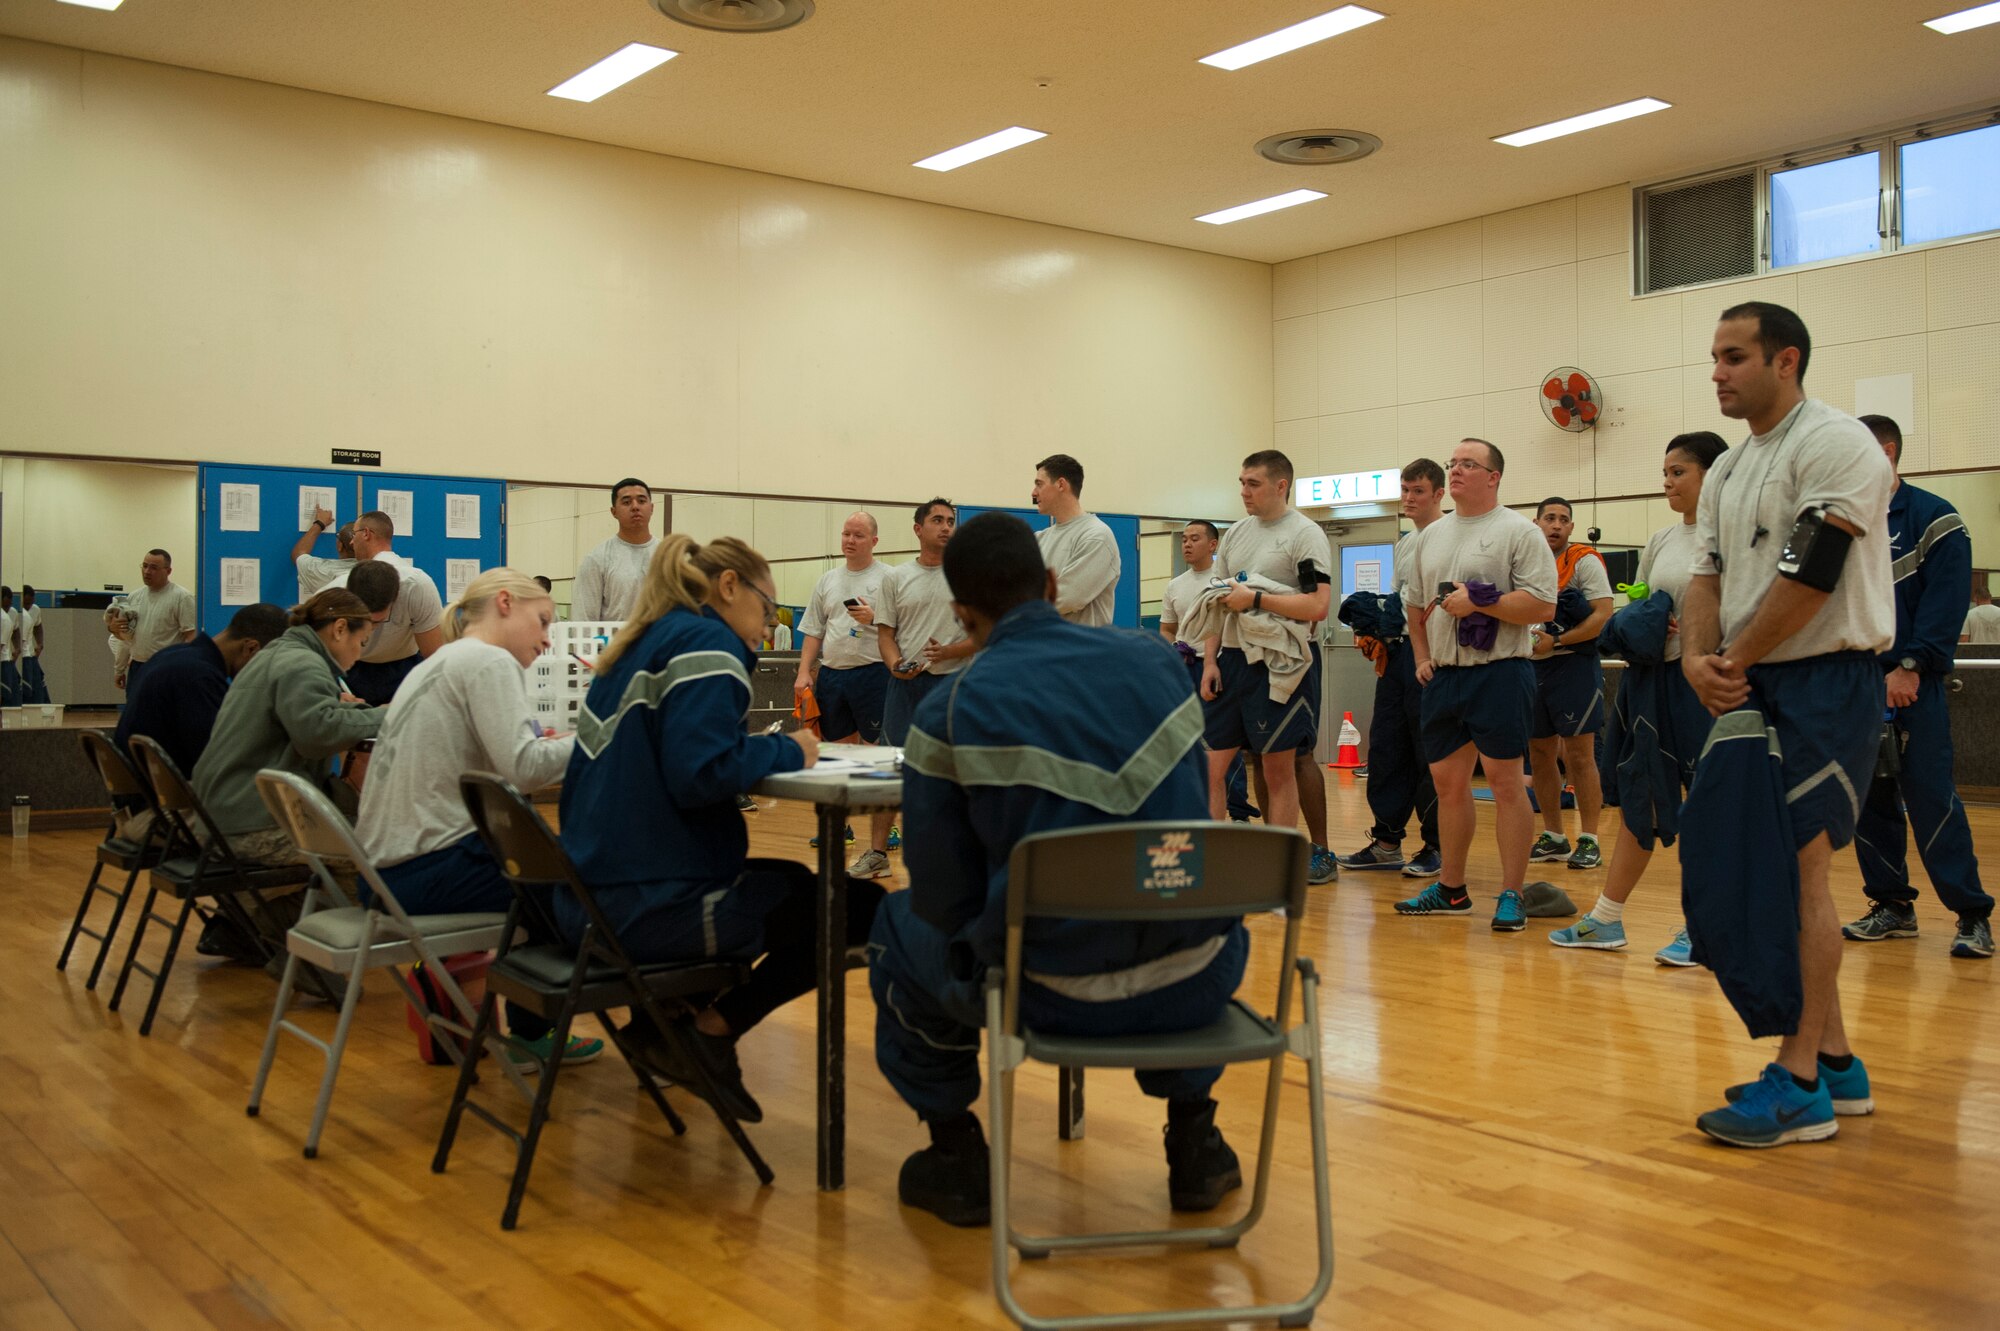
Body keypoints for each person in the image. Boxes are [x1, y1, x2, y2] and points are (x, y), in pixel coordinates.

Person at [868, 513, 1246, 1228]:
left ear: (961, 612)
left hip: (1046, 990)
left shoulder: (947, 713)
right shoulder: (1156, 661)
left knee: (894, 925)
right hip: (1197, 975)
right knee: (1173, 901)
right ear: (1048, 583)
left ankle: (958, 1157)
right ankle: (1195, 1140)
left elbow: (944, 899)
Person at [560, 534, 882, 1124]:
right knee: (856, 907)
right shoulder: (707, 643)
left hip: (587, 901)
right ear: (729, 586)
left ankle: (663, 1021)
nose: (767, 626)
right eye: (766, 607)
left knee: (787, 879)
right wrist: (789, 752)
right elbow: (700, 770)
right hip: (646, 911)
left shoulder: (641, 643)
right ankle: (707, 1033)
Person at [1682, 301, 1894, 1148]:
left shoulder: (1836, 443)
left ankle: (1800, 1079)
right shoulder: (1730, 470)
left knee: (1803, 871)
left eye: (1734, 357)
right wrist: (1701, 659)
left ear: (1787, 361)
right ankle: (1838, 1063)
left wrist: (1732, 659)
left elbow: (1816, 568)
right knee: (1764, 863)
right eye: (1715, 358)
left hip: (1824, 682)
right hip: (1751, 679)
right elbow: (1705, 576)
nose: (1718, 373)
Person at [355, 568, 602, 1064]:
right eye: (544, 621)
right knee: (576, 889)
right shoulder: (488, 661)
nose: (546, 639)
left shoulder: (441, 661)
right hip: (420, 873)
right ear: (506, 603)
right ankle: (534, 1032)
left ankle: (476, 997)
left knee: (544, 878)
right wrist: (603, 738)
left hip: (381, 875)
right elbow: (526, 768)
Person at [1549, 434, 1726, 962]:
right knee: (1639, 798)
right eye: (1665, 472)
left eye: (1679, 472)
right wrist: (1642, 619)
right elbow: (1641, 602)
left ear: (1712, 475)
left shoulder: (1738, 538)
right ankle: (1606, 918)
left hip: (1708, 685)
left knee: (1709, 806)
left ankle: (1708, 926)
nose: (1667, 482)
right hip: (1651, 682)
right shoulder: (1663, 539)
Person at [1839, 415, 1992, 959]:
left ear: (1886, 451)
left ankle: (1971, 913)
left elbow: (1946, 606)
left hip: (1912, 684)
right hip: (1856, 689)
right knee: (1867, 803)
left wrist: (1909, 667)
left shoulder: (1935, 519)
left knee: (1929, 798)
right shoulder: (1841, 521)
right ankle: (1892, 906)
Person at [1393, 439, 1557, 929]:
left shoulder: (1518, 532)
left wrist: (1481, 603)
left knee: (1507, 786)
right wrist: (1422, 656)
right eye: (1454, 463)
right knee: (1447, 785)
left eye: (1468, 463)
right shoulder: (1430, 536)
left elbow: (1543, 607)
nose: (1458, 469)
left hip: (1501, 673)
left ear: (1494, 477)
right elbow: (1416, 606)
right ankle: (1452, 889)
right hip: (1445, 675)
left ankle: (1511, 893)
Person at [1197, 450, 1338, 885]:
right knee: (1211, 766)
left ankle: (1287, 865)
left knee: (1281, 767)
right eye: (1241, 482)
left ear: (1281, 486)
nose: (1243, 492)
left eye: (1253, 483)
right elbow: (1217, 600)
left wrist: (1256, 598)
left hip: (1280, 665)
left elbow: (1317, 605)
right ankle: (1216, 860)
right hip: (1233, 662)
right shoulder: (1236, 533)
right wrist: (1209, 661)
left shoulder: (1305, 535)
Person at [190, 589, 384, 867]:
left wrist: (362, 713)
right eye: (362, 642)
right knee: (379, 862)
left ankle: (269, 909)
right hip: (252, 826)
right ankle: (296, 910)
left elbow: (309, 715)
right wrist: (387, 717)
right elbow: (317, 732)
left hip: (224, 815)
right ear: (340, 629)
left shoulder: (278, 653)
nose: (359, 654)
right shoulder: (304, 663)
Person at [1339, 459, 1445, 879]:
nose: (1409, 499)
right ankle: (1386, 841)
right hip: (1398, 657)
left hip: (1432, 657)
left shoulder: (1446, 537)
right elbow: (1402, 600)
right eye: (1404, 490)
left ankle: (1437, 845)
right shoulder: (1405, 543)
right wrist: (1379, 625)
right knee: (1387, 747)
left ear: (1439, 494)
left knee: (1429, 753)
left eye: (1418, 491)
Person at [112, 602, 289, 838]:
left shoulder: (175, 656)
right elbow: (220, 766)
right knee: (306, 840)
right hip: (159, 815)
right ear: (251, 648)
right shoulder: (198, 677)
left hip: (137, 806)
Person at [794, 511, 897, 877]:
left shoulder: (889, 578)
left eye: (858, 534)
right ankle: (842, 825)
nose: (850, 540)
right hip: (833, 676)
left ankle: (881, 841)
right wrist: (805, 670)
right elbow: (812, 629)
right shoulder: (827, 581)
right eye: (846, 534)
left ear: (874, 541)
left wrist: (875, 619)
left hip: (873, 675)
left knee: (874, 758)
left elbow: (900, 628)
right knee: (837, 755)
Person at [1525, 497, 1615, 871]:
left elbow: (1603, 616)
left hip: (1573, 666)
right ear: (1537, 522)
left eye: (1563, 519)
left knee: (1579, 755)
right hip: (1530, 669)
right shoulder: (1523, 560)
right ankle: (1555, 836)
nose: (1556, 525)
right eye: (1550, 518)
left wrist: (1558, 641)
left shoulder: (1584, 561)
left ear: (1571, 527)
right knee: (1541, 754)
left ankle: (1589, 839)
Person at [1159, 520, 1256, 823]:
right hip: (1186, 669)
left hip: (1218, 667)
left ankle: (1239, 811)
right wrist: (1172, 657)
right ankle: (1195, 809)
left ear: (1213, 545)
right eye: (1184, 539)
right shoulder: (1175, 586)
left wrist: (1212, 662)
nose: (1187, 544)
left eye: (1195, 538)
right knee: (1188, 742)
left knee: (1222, 742)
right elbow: (1167, 629)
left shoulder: (1226, 581)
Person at [877, 499, 974, 748]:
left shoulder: (968, 575)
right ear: (918, 529)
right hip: (905, 685)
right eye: (937, 520)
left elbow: (986, 636)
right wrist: (896, 665)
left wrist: (949, 652)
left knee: (950, 761)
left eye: (950, 522)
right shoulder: (895, 577)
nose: (946, 527)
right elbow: (886, 635)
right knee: (895, 759)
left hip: (952, 682)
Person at [342, 515, 444, 704]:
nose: (351, 541)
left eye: (354, 534)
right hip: (357, 670)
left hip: (398, 672)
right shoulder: (420, 583)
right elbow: (435, 657)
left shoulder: (415, 584)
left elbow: (435, 657)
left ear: (365, 534)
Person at [1031, 454, 1121, 627]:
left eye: (1039, 484)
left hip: (1082, 652)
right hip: (1042, 650)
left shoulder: (1097, 536)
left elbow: (1065, 598)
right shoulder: (1038, 539)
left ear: (1061, 484)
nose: (1033, 493)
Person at [572, 478, 658, 623]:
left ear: (652, 508)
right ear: (614, 512)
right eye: (626, 502)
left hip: (662, 644)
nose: (635, 507)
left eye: (641, 501)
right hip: (615, 645)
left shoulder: (668, 556)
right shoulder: (596, 559)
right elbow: (583, 621)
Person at [120, 549, 198, 696]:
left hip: (166, 668)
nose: (147, 571)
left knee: (162, 715)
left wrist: (182, 669)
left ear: (168, 571)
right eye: (144, 566)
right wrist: (120, 668)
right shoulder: (134, 597)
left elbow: (191, 637)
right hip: (137, 666)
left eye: (154, 568)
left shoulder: (182, 597)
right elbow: (126, 637)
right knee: (135, 715)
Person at [291, 505, 358, 599]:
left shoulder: (324, 570)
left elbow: (298, 554)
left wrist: (319, 524)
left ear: (340, 546)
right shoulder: (378, 570)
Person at [17, 585, 49, 704]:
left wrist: (40, 644)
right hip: (21, 655)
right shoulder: (17, 613)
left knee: (37, 681)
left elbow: (38, 626)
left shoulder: (35, 610)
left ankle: (40, 707)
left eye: (31, 603)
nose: (28, 606)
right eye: (26, 603)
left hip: (31, 654)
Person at [0, 586, 17, 706]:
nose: (8, 608)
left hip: (3, 663)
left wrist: (18, 648)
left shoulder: (5, 619)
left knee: (4, 697)